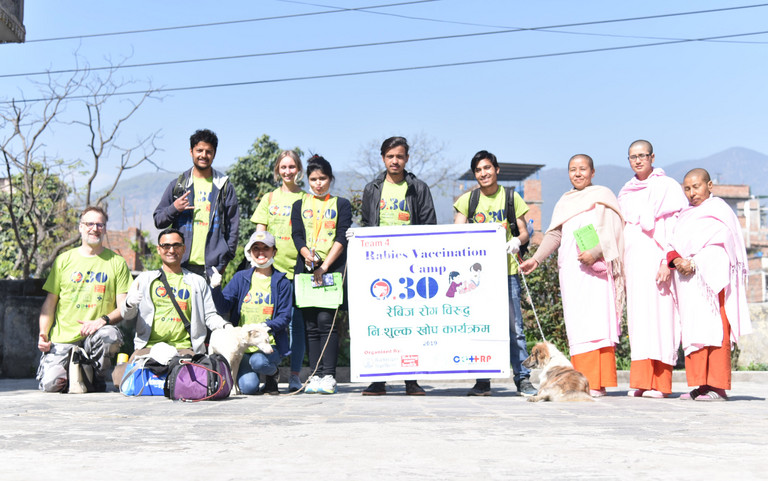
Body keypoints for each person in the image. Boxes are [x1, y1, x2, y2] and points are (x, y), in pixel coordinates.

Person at [520, 154, 624, 397]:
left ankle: (599, 382)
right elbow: (554, 235)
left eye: (583, 169)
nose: (578, 174)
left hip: (597, 271)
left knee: (598, 322)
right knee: (579, 326)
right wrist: (536, 259)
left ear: (593, 171)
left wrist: (596, 251)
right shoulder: (565, 201)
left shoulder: (603, 196)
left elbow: (615, 231)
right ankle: (583, 381)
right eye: (573, 169)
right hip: (572, 272)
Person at [359, 136, 436, 396]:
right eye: (390, 156)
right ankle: (378, 380)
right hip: (379, 267)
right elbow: (367, 224)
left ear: (407, 159)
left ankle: (411, 380)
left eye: (400, 156)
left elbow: (429, 226)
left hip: (410, 267)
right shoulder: (372, 188)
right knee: (380, 322)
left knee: (410, 324)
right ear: (383, 158)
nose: (395, 161)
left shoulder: (419, 188)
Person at [454, 150, 535, 396]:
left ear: (496, 170)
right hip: (478, 277)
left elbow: (523, 232)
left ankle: (523, 378)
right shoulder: (467, 201)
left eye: (487, 168)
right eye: (478, 170)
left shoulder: (511, 197)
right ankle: (482, 381)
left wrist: (517, 242)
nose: (483, 173)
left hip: (507, 272)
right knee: (480, 326)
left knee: (515, 329)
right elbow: (456, 233)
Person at [668, 168, 752, 401]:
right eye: (687, 188)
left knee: (715, 332)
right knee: (694, 332)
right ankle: (700, 385)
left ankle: (717, 387)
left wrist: (694, 262)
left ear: (710, 186)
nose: (692, 192)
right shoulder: (684, 215)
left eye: (697, 186)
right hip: (687, 283)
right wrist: (677, 260)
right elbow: (672, 243)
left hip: (712, 284)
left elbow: (723, 245)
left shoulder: (719, 211)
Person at [112, 228, 231, 386]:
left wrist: (226, 326)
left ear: (183, 248)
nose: (171, 250)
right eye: (166, 246)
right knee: (119, 378)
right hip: (149, 349)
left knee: (193, 378)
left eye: (176, 245)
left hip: (184, 350)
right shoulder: (145, 279)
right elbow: (127, 315)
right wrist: (129, 303)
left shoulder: (197, 282)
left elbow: (209, 316)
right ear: (159, 249)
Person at [618, 140, 688, 399]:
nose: (638, 161)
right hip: (634, 263)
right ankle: (641, 381)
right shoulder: (626, 190)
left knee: (660, 319)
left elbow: (674, 227)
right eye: (632, 157)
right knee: (638, 321)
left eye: (642, 156)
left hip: (658, 262)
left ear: (652, 157)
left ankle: (660, 383)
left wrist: (665, 261)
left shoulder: (666, 187)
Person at [37, 206, 131, 392]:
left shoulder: (117, 262)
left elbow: (123, 308)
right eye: (89, 224)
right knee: (50, 385)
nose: (94, 228)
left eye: (99, 224)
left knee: (110, 336)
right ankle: (74, 374)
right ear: (80, 227)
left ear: (104, 229)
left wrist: (101, 321)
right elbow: (50, 303)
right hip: (63, 337)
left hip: (95, 336)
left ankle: (95, 377)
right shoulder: (64, 260)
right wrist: (43, 333)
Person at [291, 155, 352, 395]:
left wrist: (324, 266)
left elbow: (341, 236)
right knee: (310, 325)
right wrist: (308, 256)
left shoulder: (341, 203)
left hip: (331, 268)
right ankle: (314, 375)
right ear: (307, 179)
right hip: (306, 268)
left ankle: (329, 376)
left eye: (323, 178)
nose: (318, 183)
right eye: (314, 179)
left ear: (330, 179)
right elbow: (297, 235)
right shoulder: (300, 204)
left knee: (327, 323)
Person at [251, 150, 306, 393]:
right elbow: (259, 236)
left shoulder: (307, 199)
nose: (287, 171)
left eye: (291, 166)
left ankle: (294, 376)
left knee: (297, 325)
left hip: (300, 270)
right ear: (277, 170)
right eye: (283, 167)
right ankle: (272, 371)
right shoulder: (269, 199)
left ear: (299, 169)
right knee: (273, 323)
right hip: (274, 271)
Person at [212, 231, 292, 395]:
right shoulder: (240, 278)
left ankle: (273, 373)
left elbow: (285, 317)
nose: (261, 252)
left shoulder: (282, 282)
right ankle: (256, 376)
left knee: (259, 362)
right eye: (256, 248)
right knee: (248, 387)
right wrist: (215, 289)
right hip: (244, 348)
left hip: (270, 345)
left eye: (266, 248)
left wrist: (266, 326)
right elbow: (223, 307)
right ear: (250, 252)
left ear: (274, 252)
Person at [153, 128, 239, 279]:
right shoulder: (178, 185)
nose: (203, 155)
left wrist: (224, 261)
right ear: (191, 151)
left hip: (213, 269)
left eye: (208, 151)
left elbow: (234, 227)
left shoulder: (223, 186)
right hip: (180, 265)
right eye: (199, 150)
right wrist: (174, 208)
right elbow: (158, 220)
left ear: (214, 154)